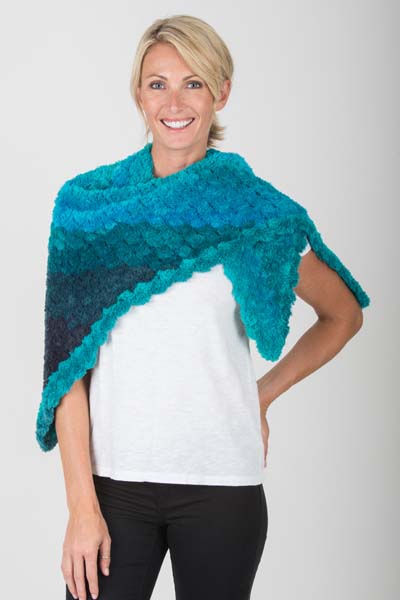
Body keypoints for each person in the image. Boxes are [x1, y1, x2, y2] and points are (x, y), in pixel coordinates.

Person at [43, 14, 367, 600]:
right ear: (138, 94)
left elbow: (343, 315)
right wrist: (80, 507)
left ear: (221, 92)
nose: (175, 102)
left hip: (223, 487)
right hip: (113, 487)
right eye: (158, 83)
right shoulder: (88, 210)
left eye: (193, 83)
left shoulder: (256, 215)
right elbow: (67, 372)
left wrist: (261, 395)